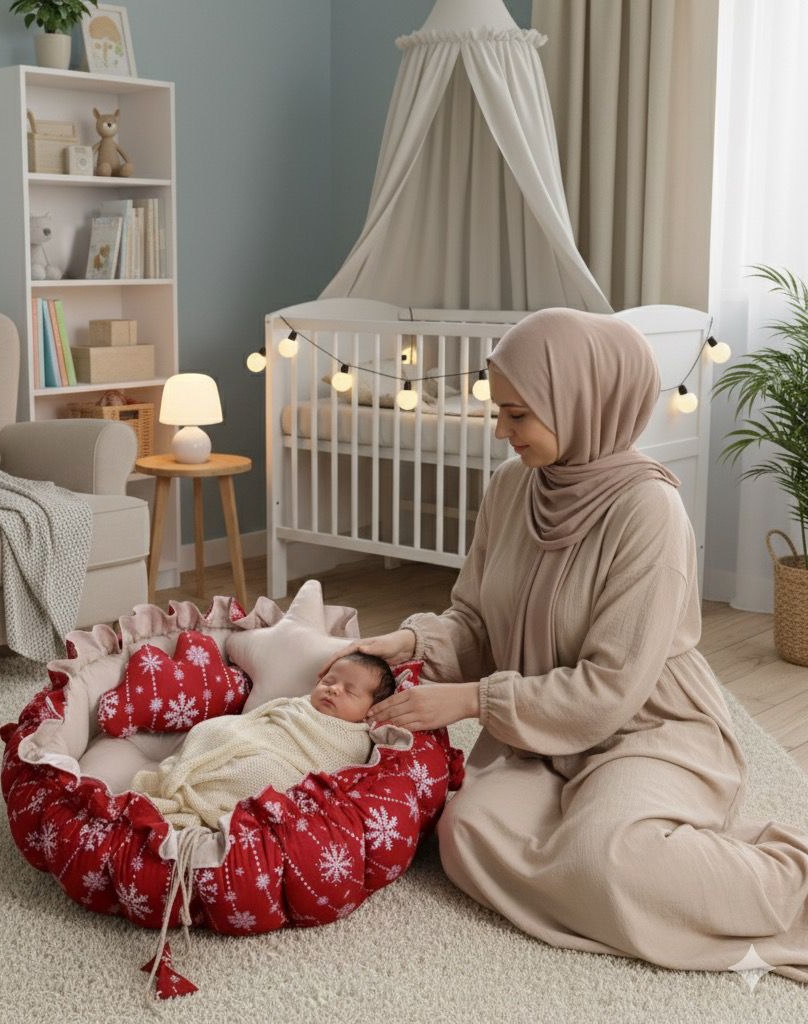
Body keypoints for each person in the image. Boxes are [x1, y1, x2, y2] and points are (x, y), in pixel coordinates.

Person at [319, 307, 808, 984]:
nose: (501, 431)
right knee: (463, 834)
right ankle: (627, 849)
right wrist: (411, 640)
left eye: (518, 415)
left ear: (582, 404)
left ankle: (787, 878)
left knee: (608, 858)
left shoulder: (647, 512)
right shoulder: (511, 486)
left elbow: (609, 686)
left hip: (647, 728)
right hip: (542, 736)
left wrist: (468, 700)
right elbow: (477, 621)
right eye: (500, 412)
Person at [129, 652, 396, 829]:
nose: (333, 689)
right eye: (329, 680)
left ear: (371, 709)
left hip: (283, 764)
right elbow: (261, 720)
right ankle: (186, 778)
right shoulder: (301, 705)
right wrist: (241, 734)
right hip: (253, 737)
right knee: (211, 729)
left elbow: (328, 776)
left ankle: (196, 793)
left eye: (349, 691)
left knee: (262, 773)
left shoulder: (355, 741)